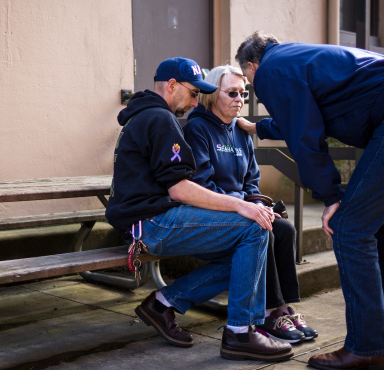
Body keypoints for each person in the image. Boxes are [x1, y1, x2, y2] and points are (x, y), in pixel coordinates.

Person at [235, 32, 384, 369]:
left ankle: (367, 346)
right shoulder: (299, 57)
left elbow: (305, 136)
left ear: (252, 65)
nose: (254, 87)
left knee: (349, 227)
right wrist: (260, 128)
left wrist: (330, 196)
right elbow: (308, 114)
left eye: (248, 81)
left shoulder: (271, 70)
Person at [105, 56, 293, 362]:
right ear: (171, 86)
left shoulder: (148, 117)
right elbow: (179, 188)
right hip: (152, 225)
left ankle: (163, 303)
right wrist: (241, 206)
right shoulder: (159, 119)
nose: (195, 102)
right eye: (193, 93)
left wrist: (244, 203)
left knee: (244, 256)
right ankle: (241, 332)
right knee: (254, 227)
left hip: (149, 221)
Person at [183, 64, 317, 344]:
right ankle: (269, 312)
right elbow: (202, 184)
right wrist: (244, 205)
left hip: (243, 209)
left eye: (243, 94)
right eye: (232, 93)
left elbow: (251, 182)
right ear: (211, 94)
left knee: (285, 229)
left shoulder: (241, 131)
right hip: (213, 213)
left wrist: (257, 203)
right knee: (263, 229)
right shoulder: (197, 128)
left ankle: (283, 308)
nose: (240, 100)